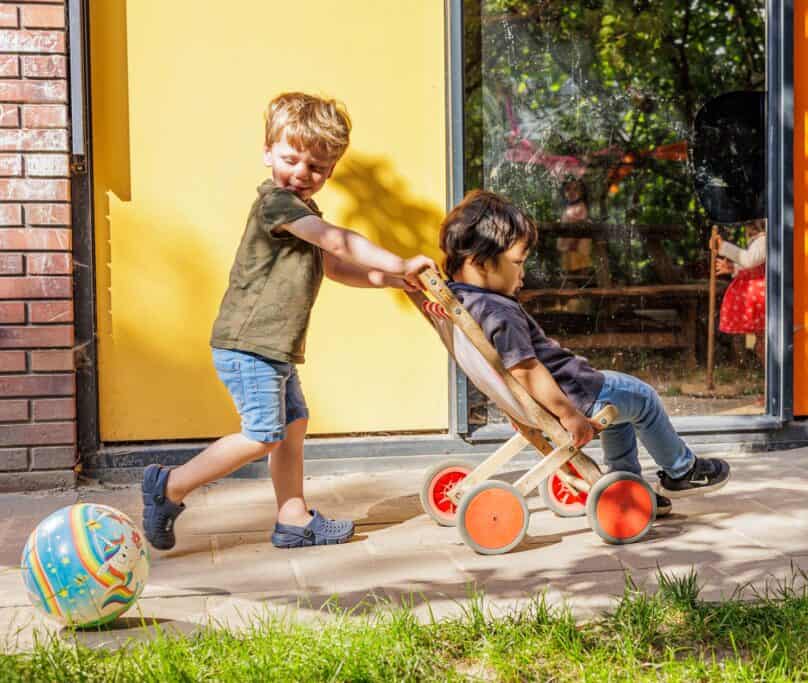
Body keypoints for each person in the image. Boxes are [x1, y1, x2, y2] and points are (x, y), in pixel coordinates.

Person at [141, 92, 436, 551]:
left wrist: (392, 282)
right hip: (249, 345)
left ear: (330, 172)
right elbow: (337, 242)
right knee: (262, 434)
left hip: (274, 348)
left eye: (316, 167)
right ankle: (170, 486)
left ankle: (292, 519)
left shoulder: (305, 213)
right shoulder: (277, 205)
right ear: (267, 153)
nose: (302, 173)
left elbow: (335, 268)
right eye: (290, 158)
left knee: (292, 425)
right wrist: (401, 263)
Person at [441, 190, 730, 517]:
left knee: (620, 414)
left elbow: (503, 371)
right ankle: (682, 470)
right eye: (518, 263)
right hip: (577, 392)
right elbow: (525, 369)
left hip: (570, 391)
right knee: (644, 399)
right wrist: (568, 414)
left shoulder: (462, 301)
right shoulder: (498, 313)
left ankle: (627, 482)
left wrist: (513, 405)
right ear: (479, 262)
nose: (522, 274)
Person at [712, 220, 767, 362]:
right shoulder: (760, 241)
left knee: (764, 342)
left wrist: (724, 247)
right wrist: (733, 268)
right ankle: (767, 371)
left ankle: (772, 374)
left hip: (761, 297)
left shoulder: (764, 239)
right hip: (759, 295)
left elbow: (749, 260)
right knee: (761, 341)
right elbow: (755, 265)